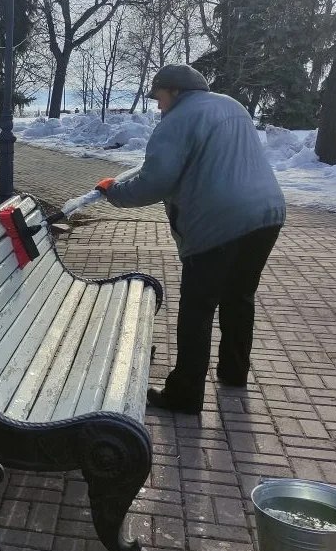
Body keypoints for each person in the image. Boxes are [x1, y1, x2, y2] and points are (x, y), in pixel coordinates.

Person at [95, 64, 286, 414]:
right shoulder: (231, 105)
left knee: (198, 307)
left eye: (160, 97)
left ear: (176, 91)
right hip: (268, 213)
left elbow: (155, 181)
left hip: (219, 220)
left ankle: (184, 395)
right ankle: (234, 372)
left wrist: (113, 192)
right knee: (239, 297)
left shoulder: (177, 120)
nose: (158, 106)